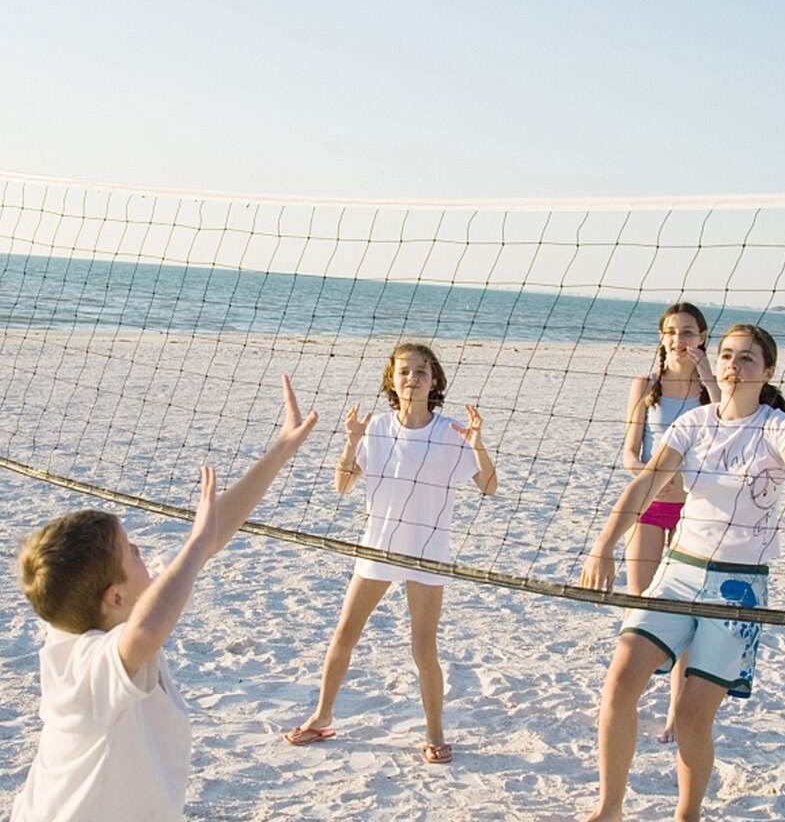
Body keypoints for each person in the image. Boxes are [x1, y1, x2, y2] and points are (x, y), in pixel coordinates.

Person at [13, 376, 318, 822]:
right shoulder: (78, 665)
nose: (143, 553)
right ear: (115, 596)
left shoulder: (99, 607)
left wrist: (282, 449)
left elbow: (209, 538)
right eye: (131, 550)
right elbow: (148, 630)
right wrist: (194, 546)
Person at [581, 324, 785, 822]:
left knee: (691, 717)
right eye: (726, 356)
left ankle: (688, 814)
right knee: (619, 683)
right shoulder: (695, 424)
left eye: (746, 359)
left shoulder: (776, 427)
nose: (732, 365)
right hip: (678, 572)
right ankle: (609, 808)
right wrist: (603, 547)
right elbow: (645, 486)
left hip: (738, 586)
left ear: (767, 372)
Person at [285, 342, 497, 765]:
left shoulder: (451, 432)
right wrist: (351, 442)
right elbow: (342, 486)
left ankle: (435, 732)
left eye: (421, 371)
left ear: (434, 379)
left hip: (426, 552)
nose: (412, 378)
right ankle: (322, 715)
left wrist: (477, 445)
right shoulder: (376, 427)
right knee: (344, 636)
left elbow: (489, 487)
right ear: (391, 380)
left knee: (423, 650)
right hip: (378, 546)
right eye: (403, 371)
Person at [620, 303, 719, 743]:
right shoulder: (646, 385)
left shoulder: (709, 390)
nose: (679, 339)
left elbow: (731, 423)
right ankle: (626, 698)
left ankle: (677, 714)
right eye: (672, 332)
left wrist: (710, 372)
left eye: (688, 332)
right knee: (641, 604)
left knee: (688, 613)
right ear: (661, 337)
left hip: (696, 512)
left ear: (702, 337)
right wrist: (650, 476)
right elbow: (627, 451)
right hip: (649, 505)